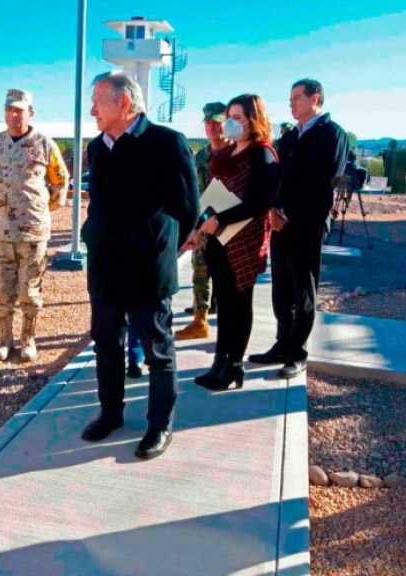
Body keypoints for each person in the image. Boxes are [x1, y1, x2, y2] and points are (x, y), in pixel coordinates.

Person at [80, 72, 198, 459]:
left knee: (157, 351)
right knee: (107, 345)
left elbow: (188, 208)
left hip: (147, 269)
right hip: (105, 267)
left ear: (124, 103)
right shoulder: (98, 147)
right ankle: (111, 414)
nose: (92, 109)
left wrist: (161, 249)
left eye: (98, 101)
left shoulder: (166, 143)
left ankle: (159, 425)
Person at [249, 79, 348, 378]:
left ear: (315, 98)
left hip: (307, 224)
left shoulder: (331, 134)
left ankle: (297, 353)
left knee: (303, 289)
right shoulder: (291, 137)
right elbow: (276, 176)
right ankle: (282, 344)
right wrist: (273, 209)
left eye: (297, 98)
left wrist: (288, 213)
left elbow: (323, 180)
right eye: (290, 98)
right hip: (280, 223)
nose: (291, 103)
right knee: (281, 288)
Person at [183, 94, 279, 390]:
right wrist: (200, 226)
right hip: (219, 241)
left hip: (243, 243)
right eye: (230, 118)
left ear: (254, 120)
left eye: (237, 118)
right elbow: (212, 196)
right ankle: (220, 363)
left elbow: (260, 202)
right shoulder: (226, 153)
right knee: (224, 306)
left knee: (239, 304)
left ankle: (234, 365)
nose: (231, 124)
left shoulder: (262, 154)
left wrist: (220, 219)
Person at [0, 88, 69, 362]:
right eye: (9, 109)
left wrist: (39, 209)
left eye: (19, 110)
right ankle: (4, 340)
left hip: (32, 232)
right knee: (2, 291)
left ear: (30, 112)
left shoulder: (44, 144)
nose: (14, 114)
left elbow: (60, 182)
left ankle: (28, 340)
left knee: (30, 291)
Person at [174, 101, 231, 341]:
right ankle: (200, 320)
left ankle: (230, 326)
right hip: (205, 223)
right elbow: (195, 192)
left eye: (216, 122)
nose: (212, 127)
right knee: (200, 270)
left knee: (228, 276)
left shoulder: (237, 154)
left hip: (231, 224)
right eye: (208, 123)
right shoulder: (201, 157)